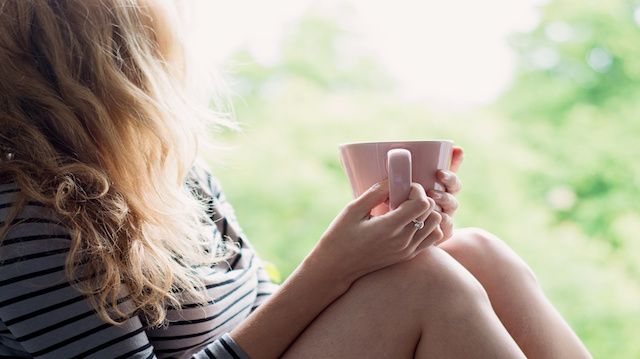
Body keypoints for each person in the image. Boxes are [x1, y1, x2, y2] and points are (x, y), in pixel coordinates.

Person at [0, 1, 592, 358]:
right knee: (427, 285)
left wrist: (379, 245)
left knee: (471, 252)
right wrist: (334, 267)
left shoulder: (166, 170)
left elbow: (258, 313)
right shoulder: (27, 218)